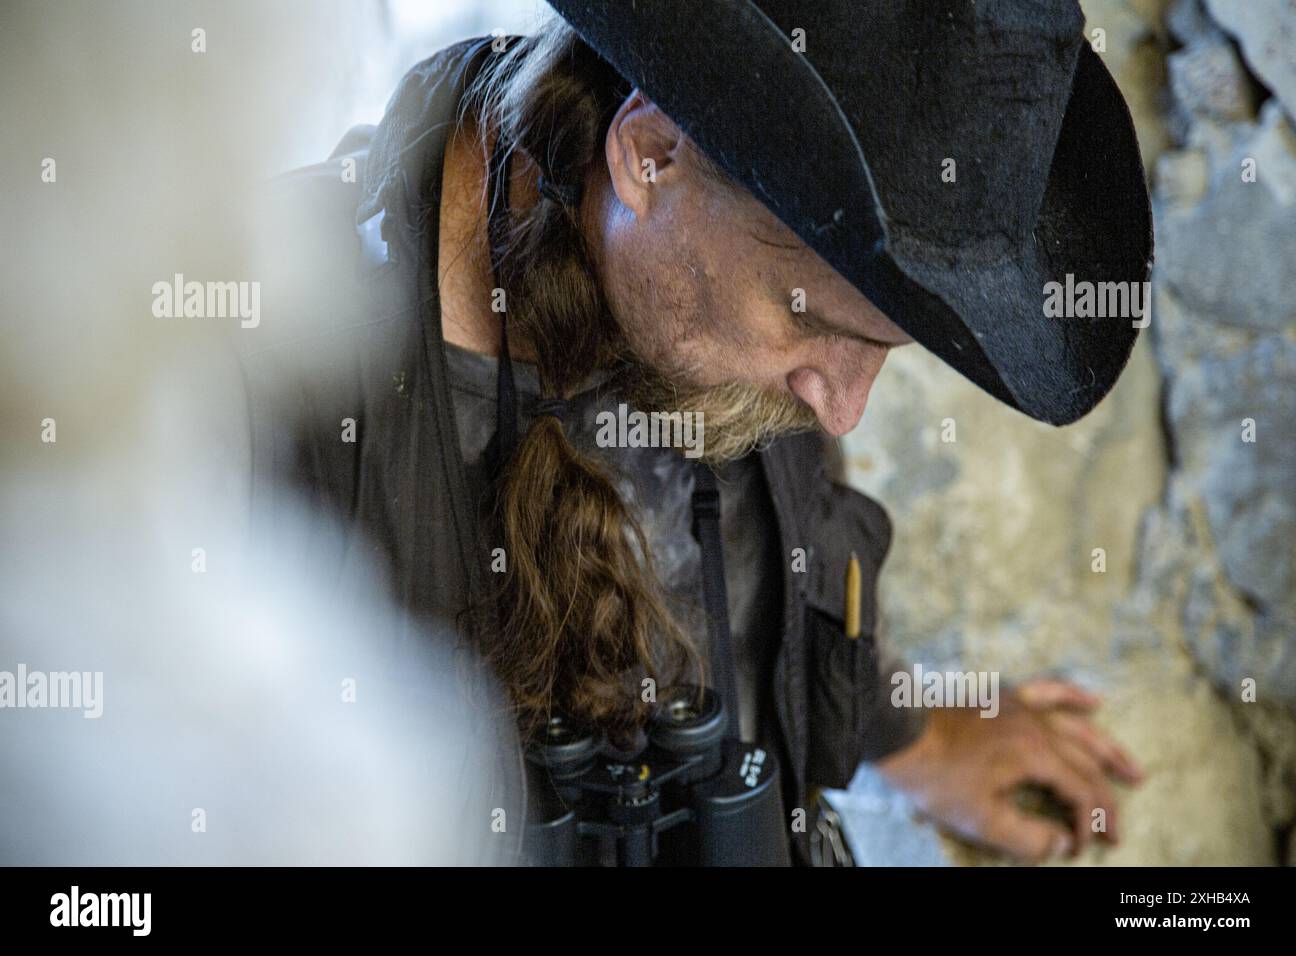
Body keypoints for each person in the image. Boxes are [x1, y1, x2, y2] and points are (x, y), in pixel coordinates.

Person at [237, 1, 1151, 864]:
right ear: (649, 154)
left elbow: (774, 584)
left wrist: (918, 737)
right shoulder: (248, 381)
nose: (842, 407)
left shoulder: (715, 288)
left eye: (884, 348)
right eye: (816, 326)